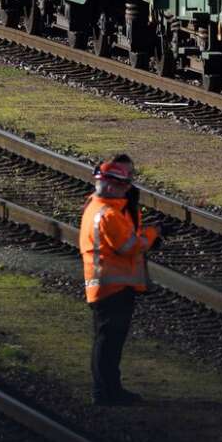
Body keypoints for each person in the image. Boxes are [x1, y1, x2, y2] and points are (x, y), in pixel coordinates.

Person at [79, 154, 159, 405]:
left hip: (106, 284)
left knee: (107, 341)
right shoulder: (109, 215)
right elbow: (130, 246)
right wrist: (154, 234)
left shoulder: (98, 206)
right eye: (125, 186)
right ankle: (106, 392)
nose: (128, 190)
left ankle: (108, 389)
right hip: (112, 286)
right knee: (109, 343)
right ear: (113, 186)